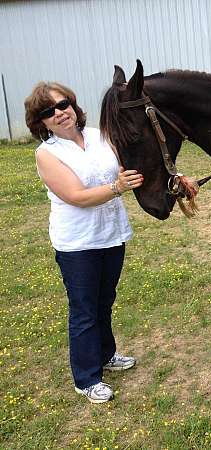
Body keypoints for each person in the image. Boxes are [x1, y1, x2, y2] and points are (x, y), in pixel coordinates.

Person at [24, 82, 143, 403]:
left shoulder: (99, 136)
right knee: (84, 311)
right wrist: (117, 188)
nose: (59, 113)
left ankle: (106, 355)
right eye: (48, 112)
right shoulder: (47, 154)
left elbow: (126, 168)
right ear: (41, 122)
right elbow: (76, 196)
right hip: (78, 244)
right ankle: (87, 378)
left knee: (104, 302)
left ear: (73, 105)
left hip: (111, 235)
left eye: (63, 105)